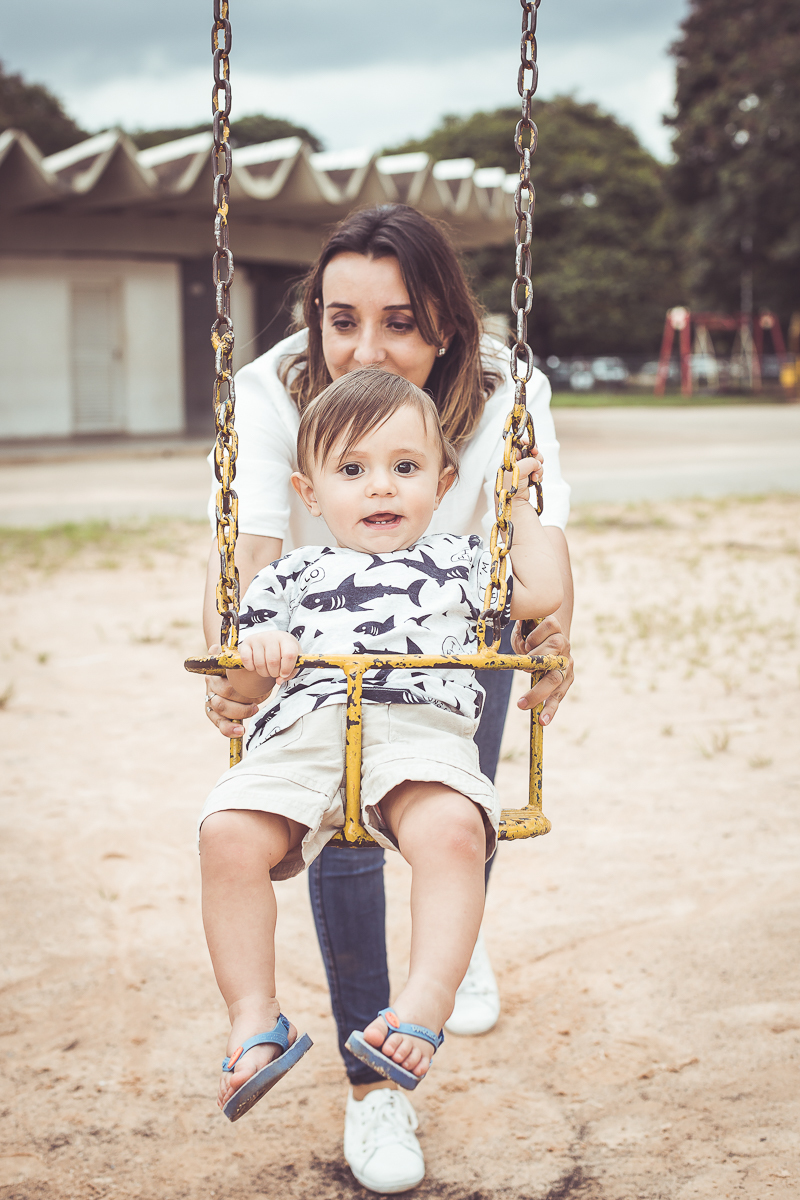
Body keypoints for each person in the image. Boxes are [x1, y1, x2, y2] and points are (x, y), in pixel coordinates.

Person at [202, 204, 574, 1192]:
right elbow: (243, 591)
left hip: (442, 662)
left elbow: (537, 595)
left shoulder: (489, 444)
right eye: (342, 320)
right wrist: (245, 661)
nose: (364, 347)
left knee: (448, 818)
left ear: (446, 325)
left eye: (400, 321)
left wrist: (519, 511)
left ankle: (432, 973)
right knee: (274, 820)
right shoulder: (275, 421)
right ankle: (324, 1059)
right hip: (319, 694)